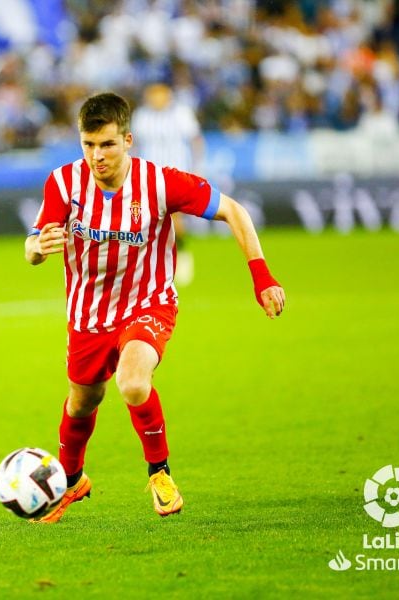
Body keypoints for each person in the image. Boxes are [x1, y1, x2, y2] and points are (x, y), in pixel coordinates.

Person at [25, 92, 284, 522]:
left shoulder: (161, 183)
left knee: (131, 381)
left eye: (107, 144)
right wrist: (37, 247)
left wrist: (262, 276)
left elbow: (235, 212)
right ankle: (71, 481)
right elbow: (33, 247)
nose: (97, 156)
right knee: (81, 403)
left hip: (149, 303)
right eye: (88, 145)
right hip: (88, 315)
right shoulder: (62, 183)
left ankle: (159, 472)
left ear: (128, 139)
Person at [130, 82, 205, 286]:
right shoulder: (141, 116)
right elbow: (133, 145)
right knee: (148, 220)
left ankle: (182, 257)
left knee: (175, 218)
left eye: (160, 94)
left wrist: (197, 167)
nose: (156, 99)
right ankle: (155, 265)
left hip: (176, 173)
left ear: (168, 95)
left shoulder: (181, 114)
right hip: (148, 176)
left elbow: (195, 141)